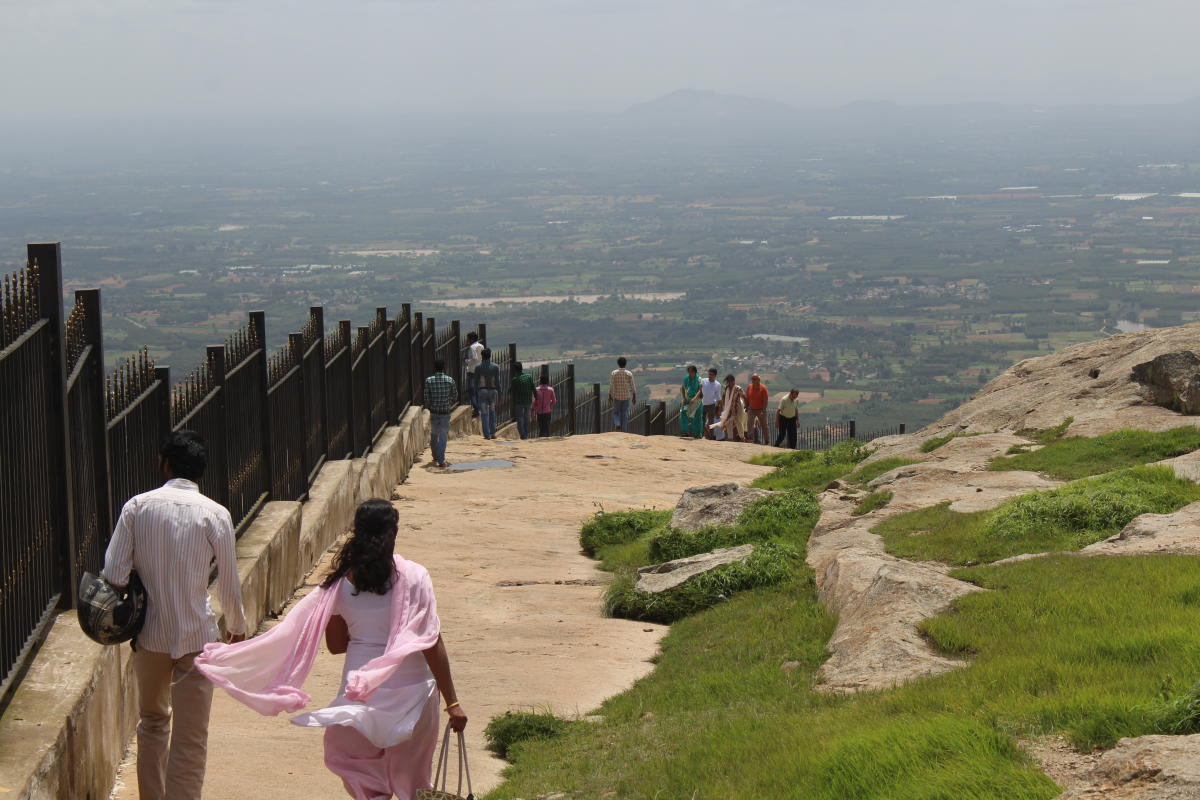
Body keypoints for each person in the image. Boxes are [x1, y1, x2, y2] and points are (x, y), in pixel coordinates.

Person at [197, 499, 467, 800]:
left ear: (358, 532)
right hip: (413, 692)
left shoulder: (340, 585)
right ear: (394, 533)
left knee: (364, 776)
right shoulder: (416, 577)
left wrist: (366, 639)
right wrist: (452, 702)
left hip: (359, 692)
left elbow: (336, 646)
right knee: (412, 782)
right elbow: (431, 642)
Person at [101, 430, 246, 800]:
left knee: (152, 723)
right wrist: (237, 628)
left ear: (164, 464)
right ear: (201, 470)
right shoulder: (216, 514)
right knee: (191, 737)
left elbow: (114, 574)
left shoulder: (137, 507)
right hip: (198, 636)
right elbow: (229, 582)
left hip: (150, 636)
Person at [424, 360, 457, 468]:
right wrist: (448, 402)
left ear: (434, 368)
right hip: (445, 412)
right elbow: (455, 396)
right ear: (443, 368)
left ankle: (435, 455)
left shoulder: (429, 381)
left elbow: (426, 397)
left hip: (434, 411)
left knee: (434, 434)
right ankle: (441, 460)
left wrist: (430, 406)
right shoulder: (450, 380)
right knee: (443, 436)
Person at [711, 374, 747, 442]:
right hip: (728, 408)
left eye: (732, 381)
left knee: (738, 422)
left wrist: (746, 405)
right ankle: (730, 438)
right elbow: (724, 397)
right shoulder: (726, 388)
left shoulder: (738, 388)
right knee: (728, 423)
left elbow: (744, 396)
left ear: (734, 381)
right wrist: (722, 406)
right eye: (729, 382)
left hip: (737, 408)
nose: (731, 383)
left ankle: (742, 437)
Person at [475, 348, 502, 440]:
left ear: (482, 356)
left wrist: (476, 392)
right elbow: (498, 382)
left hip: (482, 391)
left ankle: (487, 435)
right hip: (493, 391)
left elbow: (476, 381)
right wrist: (500, 393)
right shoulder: (495, 367)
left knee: (484, 413)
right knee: (492, 412)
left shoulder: (478, 367)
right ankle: (493, 433)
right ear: (490, 356)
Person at [509, 361, 536, 440]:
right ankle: (526, 433)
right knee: (527, 417)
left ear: (515, 370)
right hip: (528, 401)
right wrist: (536, 396)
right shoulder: (528, 377)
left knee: (520, 418)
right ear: (522, 368)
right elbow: (533, 388)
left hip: (519, 402)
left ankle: (522, 435)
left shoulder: (515, 379)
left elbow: (511, 391)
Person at [609, 356, 636, 431]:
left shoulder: (614, 373)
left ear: (618, 364)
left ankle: (617, 423)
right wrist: (634, 396)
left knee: (616, 413)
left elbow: (611, 385)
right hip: (626, 397)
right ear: (625, 364)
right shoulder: (629, 374)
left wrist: (610, 395)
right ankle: (624, 431)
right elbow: (632, 386)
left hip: (617, 396)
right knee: (624, 414)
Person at [679, 365, 704, 439]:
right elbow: (683, 388)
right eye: (689, 372)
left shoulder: (699, 379)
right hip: (688, 399)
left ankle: (697, 434)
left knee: (697, 417)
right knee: (683, 413)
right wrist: (684, 398)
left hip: (697, 401)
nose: (690, 373)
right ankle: (684, 431)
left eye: (692, 372)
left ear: (695, 372)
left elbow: (700, 390)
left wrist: (694, 399)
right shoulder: (686, 379)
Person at [745, 373, 770, 445]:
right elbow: (747, 398)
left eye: (754, 379)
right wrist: (746, 406)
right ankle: (750, 439)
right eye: (752, 379)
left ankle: (767, 440)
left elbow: (765, 400)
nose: (753, 380)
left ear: (759, 380)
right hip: (752, 409)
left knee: (764, 425)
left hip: (761, 409)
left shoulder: (763, 388)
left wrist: (764, 410)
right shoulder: (749, 387)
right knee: (750, 423)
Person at [464, 331, 484, 417]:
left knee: (472, 391)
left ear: (471, 339)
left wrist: (466, 361)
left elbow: (474, 359)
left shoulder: (472, 347)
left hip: (472, 371)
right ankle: (479, 408)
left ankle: (476, 409)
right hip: (480, 370)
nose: (467, 340)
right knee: (478, 391)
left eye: (468, 338)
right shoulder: (481, 346)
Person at [700, 367, 722, 440]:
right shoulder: (703, 381)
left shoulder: (718, 385)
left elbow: (718, 398)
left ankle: (711, 436)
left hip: (712, 405)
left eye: (712, 375)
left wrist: (718, 409)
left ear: (715, 375)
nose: (710, 376)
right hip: (702, 404)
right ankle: (704, 434)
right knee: (701, 420)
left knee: (711, 422)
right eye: (709, 374)